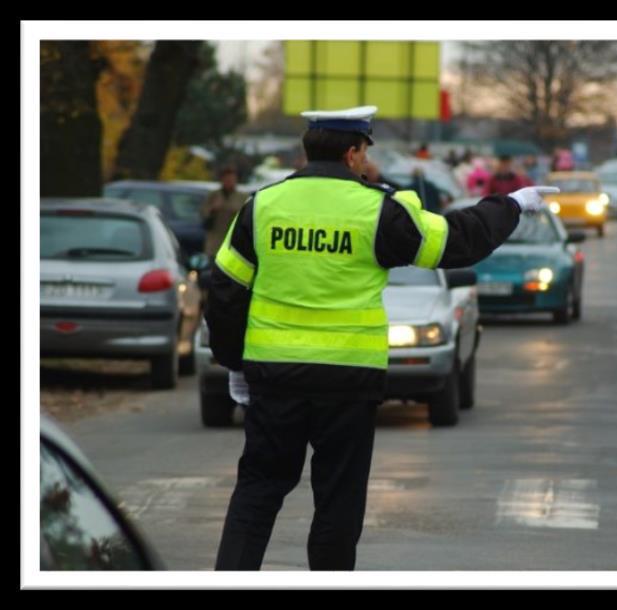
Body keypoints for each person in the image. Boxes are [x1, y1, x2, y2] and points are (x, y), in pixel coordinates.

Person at [207, 104, 557, 571]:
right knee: (337, 501)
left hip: (275, 376)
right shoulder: (378, 211)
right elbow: (456, 240)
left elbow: (226, 289)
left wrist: (234, 362)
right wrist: (511, 204)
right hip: (348, 384)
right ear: (354, 154)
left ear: (306, 150)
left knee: (258, 490)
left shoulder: (262, 206)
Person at [200, 165, 249, 259]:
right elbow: (203, 214)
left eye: (232, 180)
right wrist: (212, 209)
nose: (229, 182)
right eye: (227, 180)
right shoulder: (213, 195)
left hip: (234, 244)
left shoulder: (242, 197)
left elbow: (247, 218)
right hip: (215, 243)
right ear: (222, 180)